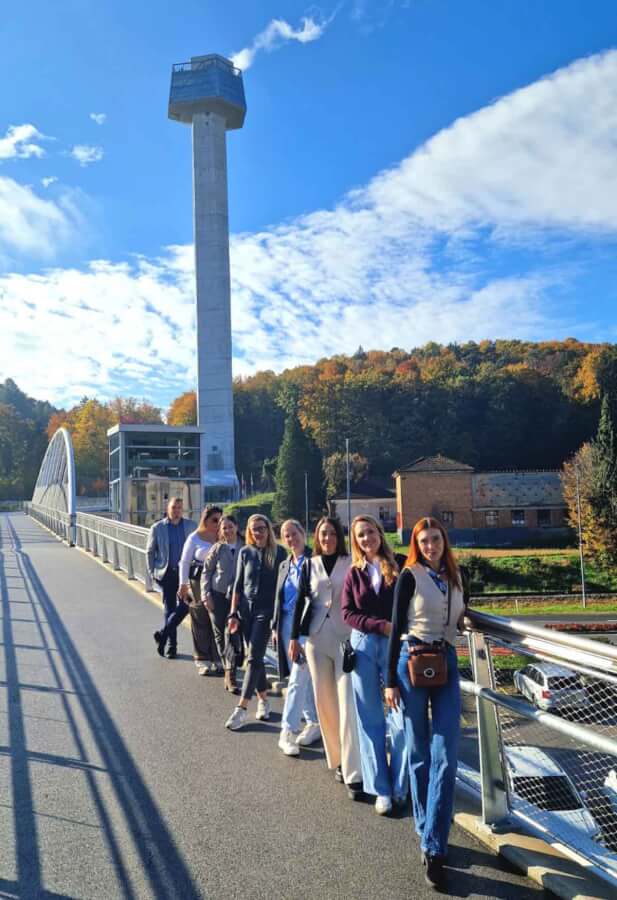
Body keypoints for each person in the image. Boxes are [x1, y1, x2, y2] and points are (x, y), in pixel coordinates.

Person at [385, 517, 469, 890]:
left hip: (446, 661)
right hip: (412, 662)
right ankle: (429, 833)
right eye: (424, 541)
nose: (431, 546)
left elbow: (460, 617)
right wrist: (389, 680)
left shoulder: (455, 575)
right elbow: (394, 627)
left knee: (446, 753)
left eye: (436, 539)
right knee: (418, 751)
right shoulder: (409, 576)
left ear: (444, 542)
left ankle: (432, 843)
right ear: (417, 545)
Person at [289, 516, 363, 800]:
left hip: (346, 640)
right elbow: (300, 602)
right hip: (317, 640)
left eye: (332, 533)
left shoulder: (351, 561)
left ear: (339, 536)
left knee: (348, 704)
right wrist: (294, 637)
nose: (327, 538)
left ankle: (355, 772)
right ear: (316, 537)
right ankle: (339, 762)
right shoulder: (310, 564)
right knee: (326, 704)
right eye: (322, 534)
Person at [341, 515, 408, 816]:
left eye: (370, 532)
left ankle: (400, 785)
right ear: (355, 542)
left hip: (398, 646)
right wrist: (379, 625)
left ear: (380, 533)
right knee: (370, 720)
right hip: (365, 645)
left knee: (402, 716)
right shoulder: (354, 573)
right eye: (360, 536)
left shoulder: (402, 564)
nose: (366, 539)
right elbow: (348, 613)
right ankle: (381, 789)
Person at [225, 514, 287, 730]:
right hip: (245, 612)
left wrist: (281, 619)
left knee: (252, 658)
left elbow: (284, 589)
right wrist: (233, 614)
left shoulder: (279, 553)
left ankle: (241, 709)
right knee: (257, 659)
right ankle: (264, 701)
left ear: (269, 529)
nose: (258, 533)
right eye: (253, 530)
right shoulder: (245, 552)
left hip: (267, 612)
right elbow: (238, 587)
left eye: (261, 528)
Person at [152, 504, 222, 670]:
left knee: (200, 616)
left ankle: (163, 635)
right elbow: (184, 562)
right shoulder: (194, 536)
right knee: (191, 615)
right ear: (206, 519)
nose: (218, 523)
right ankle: (184, 651)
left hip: (218, 585)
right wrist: (182, 584)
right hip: (189, 581)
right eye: (215, 520)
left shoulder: (221, 533)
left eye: (221, 519)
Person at [272, 519, 320, 757]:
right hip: (286, 624)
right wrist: (274, 625)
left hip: (306, 626)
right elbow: (278, 597)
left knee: (297, 678)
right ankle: (313, 722)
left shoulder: (314, 561)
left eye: (294, 533)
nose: (291, 538)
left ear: (303, 533)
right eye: (286, 535)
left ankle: (287, 732)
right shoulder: (284, 565)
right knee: (301, 677)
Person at [147, 497, 196, 659]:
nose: (176, 511)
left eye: (179, 508)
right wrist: (152, 572)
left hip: (186, 574)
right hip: (167, 573)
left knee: (185, 606)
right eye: (174, 508)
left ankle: (163, 635)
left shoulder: (190, 526)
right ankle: (171, 646)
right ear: (168, 509)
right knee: (169, 609)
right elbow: (150, 551)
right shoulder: (157, 527)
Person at [202, 515, 244, 693]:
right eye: (223, 528)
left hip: (239, 597)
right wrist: (206, 596)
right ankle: (229, 671)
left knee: (233, 634)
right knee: (220, 634)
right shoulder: (217, 548)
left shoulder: (246, 546)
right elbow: (206, 572)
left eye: (230, 526)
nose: (227, 531)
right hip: (218, 596)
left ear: (236, 526)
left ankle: (231, 669)